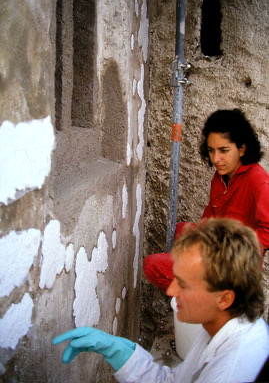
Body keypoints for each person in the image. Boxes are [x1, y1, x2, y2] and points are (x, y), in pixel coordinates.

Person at [52, 218, 269, 383]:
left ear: (224, 298)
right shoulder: (218, 326)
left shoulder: (233, 372)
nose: (171, 290)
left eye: (183, 284)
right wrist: (118, 352)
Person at [144, 108, 269, 292]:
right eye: (211, 151)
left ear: (242, 149)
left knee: (151, 265)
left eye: (224, 151)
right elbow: (209, 218)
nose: (216, 159)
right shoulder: (220, 178)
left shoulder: (257, 179)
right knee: (180, 230)